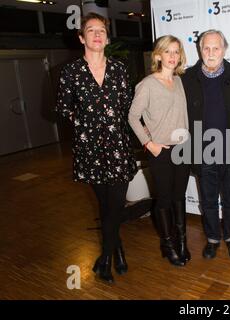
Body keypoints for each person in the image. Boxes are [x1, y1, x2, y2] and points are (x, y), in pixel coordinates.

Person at [56, 12, 151, 283]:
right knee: (107, 208)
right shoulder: (70, 72)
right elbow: (62, 108)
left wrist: (145, 136)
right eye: (91, 30)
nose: (97, 34)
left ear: (107, 37)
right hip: (90, 152)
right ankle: (118, 251)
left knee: (115, 207)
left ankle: (106, 258)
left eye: (102, 30)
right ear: (81, 37)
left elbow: (129, 108)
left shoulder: (120, 68)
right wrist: (84, 121)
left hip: (118, 148)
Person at [181, 30, 230, 259]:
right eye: (206, 48)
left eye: (216, 48)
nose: (211, 53)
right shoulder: (187, 78)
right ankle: (212, 239)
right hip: (202, 151)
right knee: (208, 201)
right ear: (200, 50)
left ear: (224, 49)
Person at [128, 35, 190, 267]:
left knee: (179, 197)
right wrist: (149, 143)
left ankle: (182, 240)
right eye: (168, 51)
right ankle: (167, 244)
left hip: (182, 149)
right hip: (160, 151)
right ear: (158, 56)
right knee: (164, 199)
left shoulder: (179, 81)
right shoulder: (147, 84)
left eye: (176, 51)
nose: (173, 56)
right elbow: (133, 117)